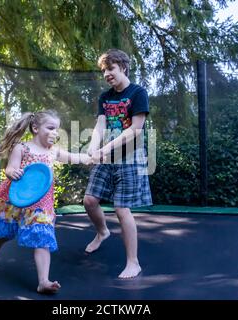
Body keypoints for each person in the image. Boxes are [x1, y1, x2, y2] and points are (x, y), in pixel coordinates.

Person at [0, 110, 91, 294]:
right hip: (18, 198)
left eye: (57, 129)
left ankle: (43, 281)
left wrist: (90, 158)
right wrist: (12, 172)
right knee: (11, 226)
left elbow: (74, 158)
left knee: (42, 239)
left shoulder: (53, 151)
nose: (55, 133)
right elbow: (10, 168)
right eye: (50, 128)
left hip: (41, 204)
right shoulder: (22, 147)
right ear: (35, 128)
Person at [84, 49, 153, 278]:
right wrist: (94, 146)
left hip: (130, 157)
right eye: (104, 70)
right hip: (107, 156)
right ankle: (102, 232)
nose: (106, 74)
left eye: (110, 68)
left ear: (123, 67)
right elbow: (100, 126)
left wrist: (104, 148)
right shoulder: (105, 97)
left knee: (122, 209)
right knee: (89, 200)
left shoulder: (137, 93)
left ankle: (133, 262)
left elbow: (135, 130)